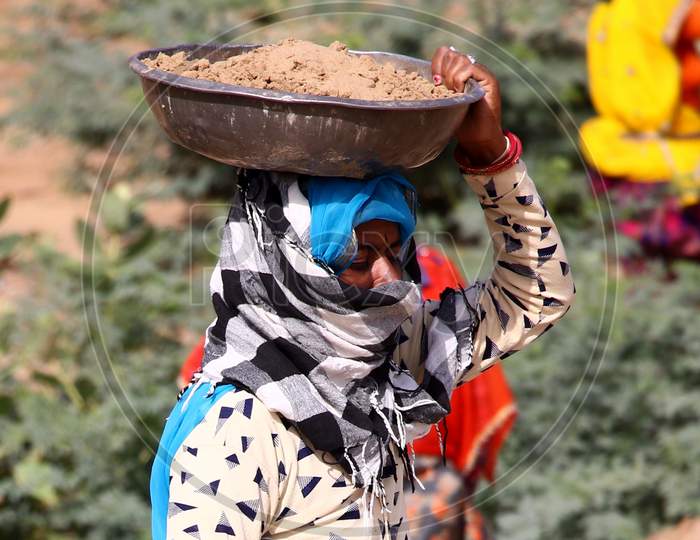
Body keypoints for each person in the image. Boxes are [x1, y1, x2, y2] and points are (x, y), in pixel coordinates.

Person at [150, 46, 575, 539]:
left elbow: (537, 293)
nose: (388, 277)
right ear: (289, 269)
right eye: (356, 260)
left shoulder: (386, 368)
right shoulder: (236, 432)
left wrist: (490, 157)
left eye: (395, 251)